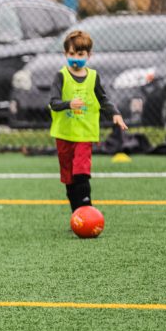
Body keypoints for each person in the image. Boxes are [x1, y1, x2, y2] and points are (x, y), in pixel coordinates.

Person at [48, 30, 128, 214]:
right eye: (72, 54)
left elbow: (103, 99)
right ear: (65, 54)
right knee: (69, 178)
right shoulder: (60, 76)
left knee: (81, 173)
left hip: (85, 134)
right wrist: (69, 104)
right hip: (64, 134)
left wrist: (114, 113)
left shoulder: (93, 77)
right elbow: (54, 102)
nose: (76, 58)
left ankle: (86, 209)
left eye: (81, 54)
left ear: (89, 55)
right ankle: (77, 213)